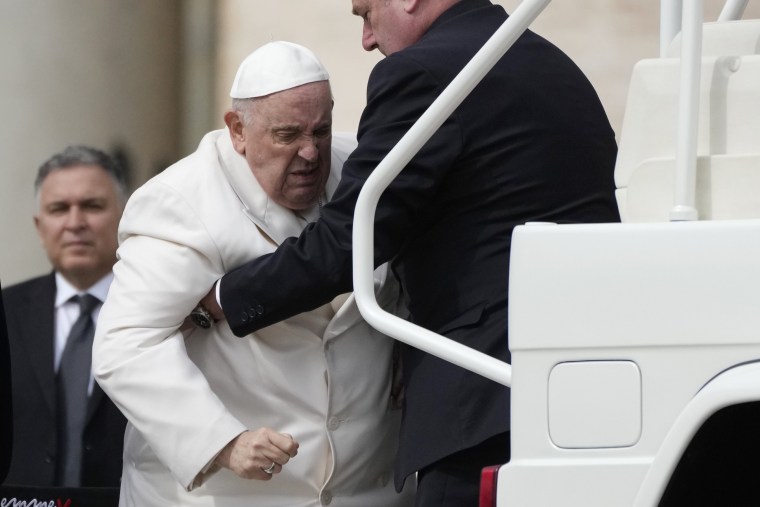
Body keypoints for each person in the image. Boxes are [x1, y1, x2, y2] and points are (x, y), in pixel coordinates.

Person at [199, 1, 621, 506]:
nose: (367, 41)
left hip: (482, 402)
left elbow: (350, 239)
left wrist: (221, 298)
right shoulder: (550, 62)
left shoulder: (423, 72)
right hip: (585, 388)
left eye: (365, 14)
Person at [92, 41, 414, 507]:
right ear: (237, 129)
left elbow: (408, 267)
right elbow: (125, 345)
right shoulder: (180, 202)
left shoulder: (363, 169)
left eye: (320, 130)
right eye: (286, 135)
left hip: (365, 488)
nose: (309, 153)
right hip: (228, 492)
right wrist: (223, 442)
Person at [2, 146, 129, 487]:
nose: (75, 223)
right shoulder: (7, 311)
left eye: (92, 206)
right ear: (40, 226)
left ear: (124, 216)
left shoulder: (166, 311)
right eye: (60, 209)